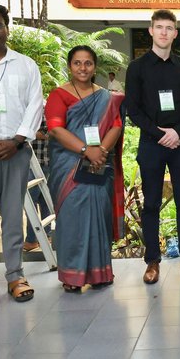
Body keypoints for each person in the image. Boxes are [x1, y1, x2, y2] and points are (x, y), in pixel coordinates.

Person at [124, 9, 180, 284]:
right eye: (158, 27)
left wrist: (177, 132)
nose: (163, 32)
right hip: (151, 143)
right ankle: (152, 262)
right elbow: (133, 110)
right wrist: (160, 133)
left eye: (168, 28)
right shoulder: (137, 68)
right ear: (150, 30)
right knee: (151, 204)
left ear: (175, 32)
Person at [0, 2, 43, 310]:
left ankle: (16, 276)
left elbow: (35, 105)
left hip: (16, 151)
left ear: (7, 28)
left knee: (14, 217)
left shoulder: (25, 65)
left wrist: (17, 140)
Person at [46, 45, 124, 292]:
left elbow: (116, 125)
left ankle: (100, 273)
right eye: (77, 63)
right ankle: (72, 276)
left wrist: (100, 151)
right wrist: (85, 150)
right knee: (72, 218)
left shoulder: (105, 96)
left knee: (98, 215)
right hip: (69, 165)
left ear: (94, 67)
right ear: (70, 66)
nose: (83, 68)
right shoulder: (59, 95)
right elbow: (56, 129)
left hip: (99, 163)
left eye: (88, 63)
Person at [23, 111, 52, 252]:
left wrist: (32, 134)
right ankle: (46, 236)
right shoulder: (43, 109)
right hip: (45, 162)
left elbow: (44, 135)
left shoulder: (38, 111)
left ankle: (32, 239)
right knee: (43, 200)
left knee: (31, 201)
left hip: (37, 162)